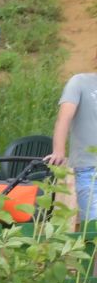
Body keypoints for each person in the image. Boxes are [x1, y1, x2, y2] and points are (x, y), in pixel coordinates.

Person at [47, 70, 97, 222]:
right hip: (89, 168)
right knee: (93, 226)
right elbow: (64, 118)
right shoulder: (80, 82)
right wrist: (58, 151)